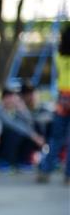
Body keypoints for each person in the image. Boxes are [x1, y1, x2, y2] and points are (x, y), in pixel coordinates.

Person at [38, 25, 70, 184]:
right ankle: (68, 175)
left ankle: (45, 170)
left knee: (56, 138)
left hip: (63, 99)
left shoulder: (59, 57)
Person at [0, 88, 45, 169]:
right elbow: (12, 125)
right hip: (0, 141)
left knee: (32, 129)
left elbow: (30, 122)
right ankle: (5, 160)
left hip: (15, 137)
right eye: (8, 97)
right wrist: (33, 136)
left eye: (13, 97)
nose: (11, 100)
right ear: (3, 99)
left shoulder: (16, 110)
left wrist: (23, 109)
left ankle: (24, 160)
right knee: (14, 133)